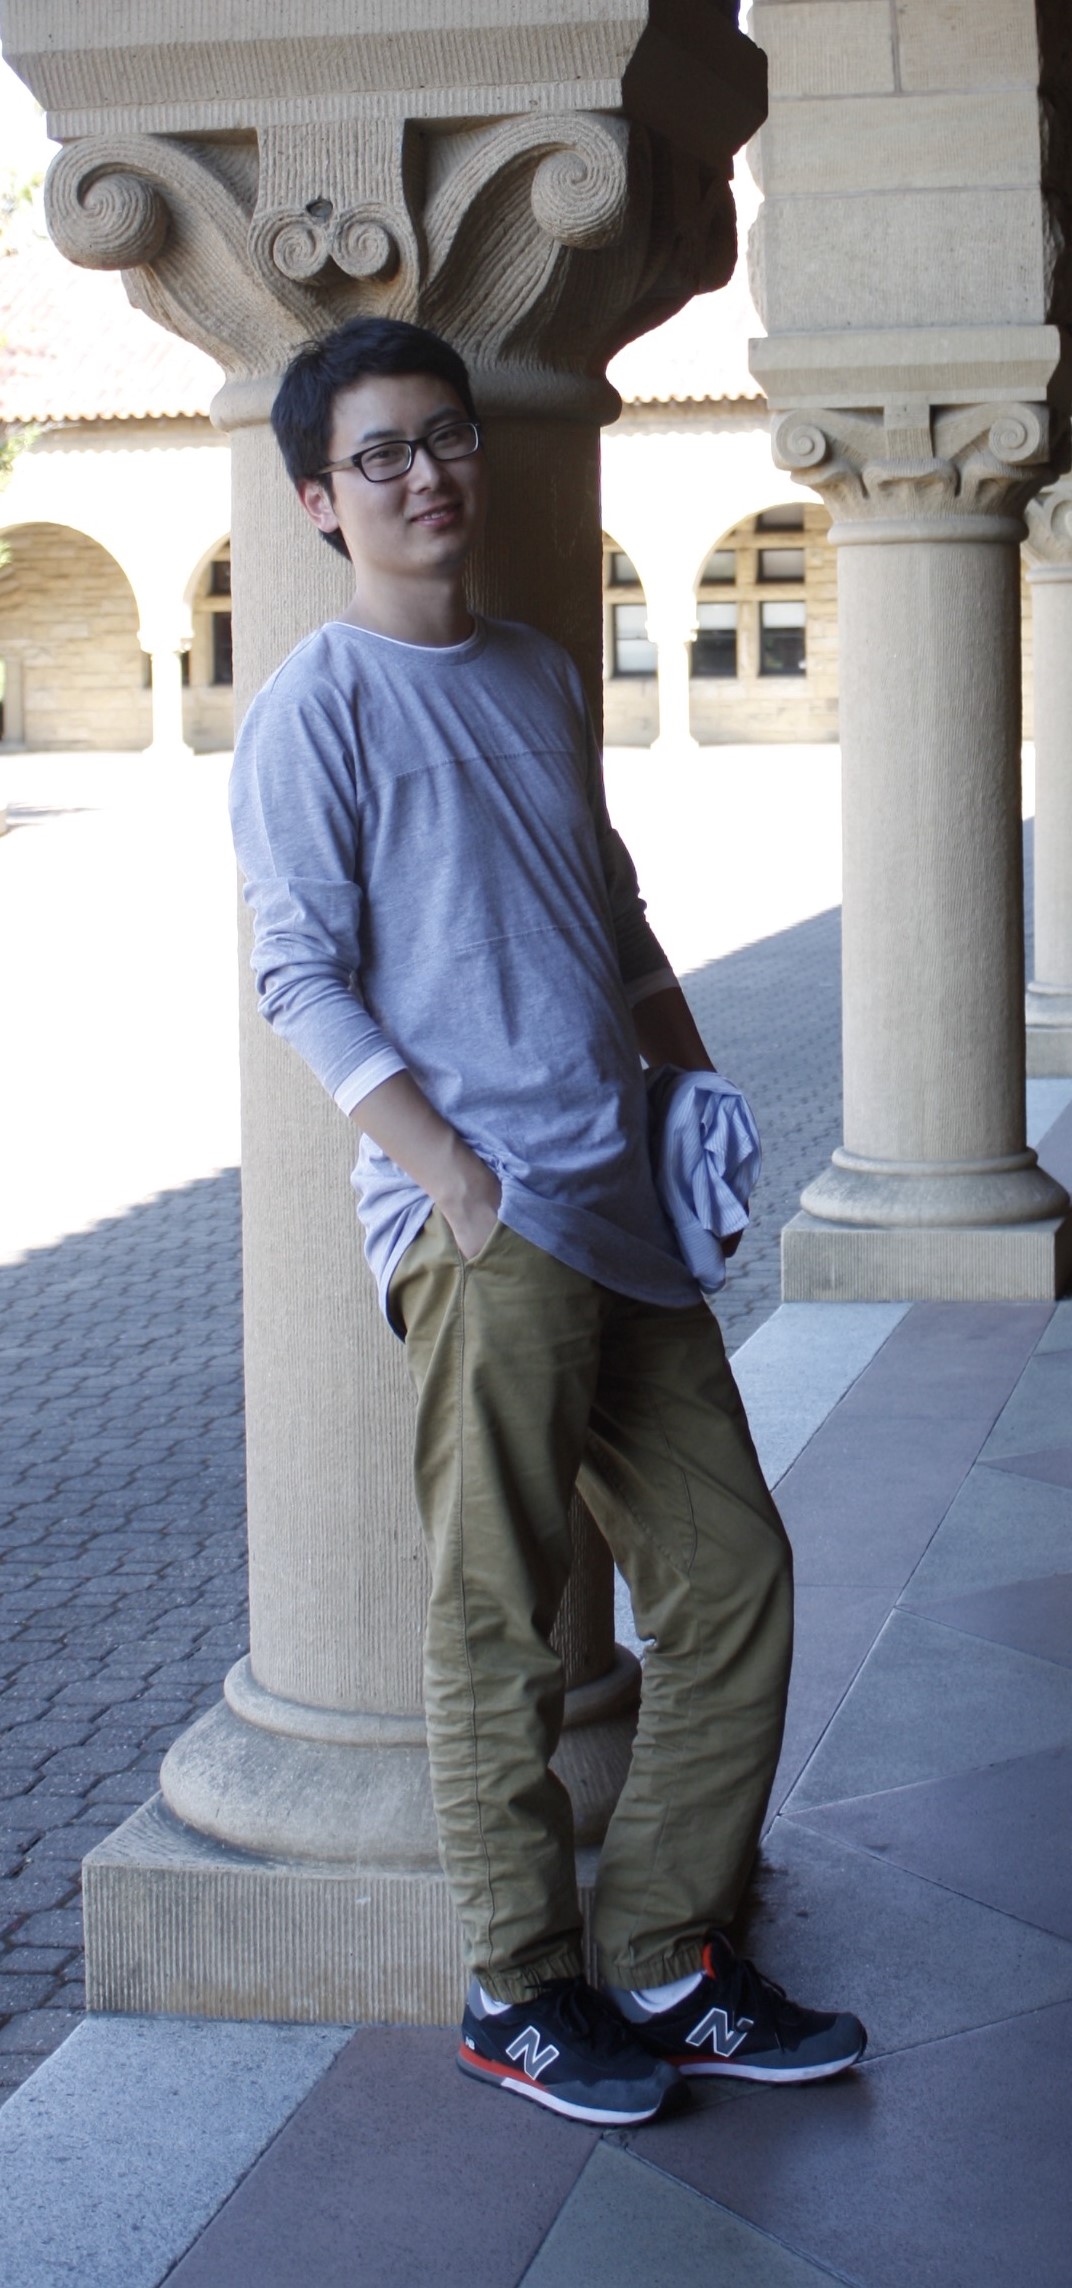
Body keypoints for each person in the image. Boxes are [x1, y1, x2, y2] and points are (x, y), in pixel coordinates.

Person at [228, 315, 866, 2126]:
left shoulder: (535, 673)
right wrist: (452, 1178)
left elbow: (611, 900)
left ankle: (664, 1950)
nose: (426, 475)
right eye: (379, 455)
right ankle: (518, 1986)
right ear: (318, 500)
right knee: (500, 1612)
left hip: (618, 1198)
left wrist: (692, 1079)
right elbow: (298, 974)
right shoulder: (316, 707)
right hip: (488, 1225)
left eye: (446, 436)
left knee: (732, 1574)